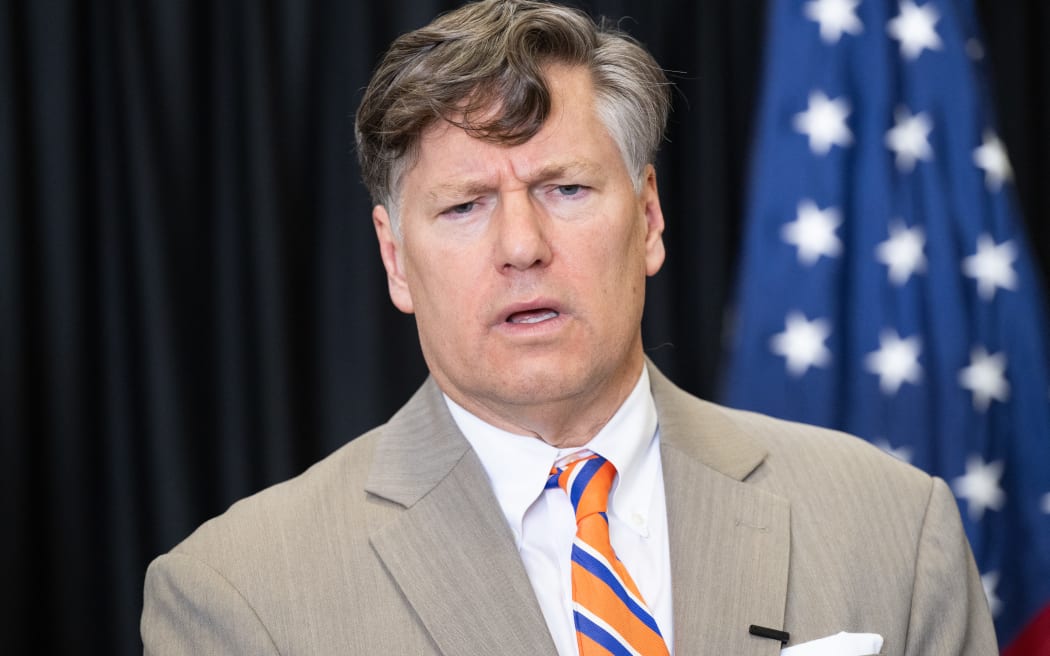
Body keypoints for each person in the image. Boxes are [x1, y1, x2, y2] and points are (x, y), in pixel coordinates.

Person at [141, 1, 997, 654]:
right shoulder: (239, 594)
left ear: (651, 217)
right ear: (395, 259)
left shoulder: (893, 526)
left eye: (565, 189)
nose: (522, 246)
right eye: (466, 205)